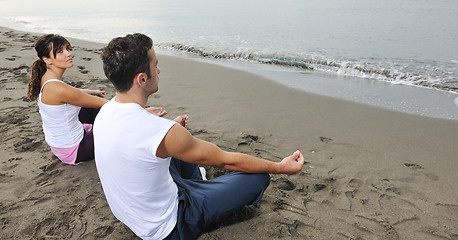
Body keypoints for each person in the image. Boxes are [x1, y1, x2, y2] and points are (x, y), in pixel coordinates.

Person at [94, 33, 305, 240]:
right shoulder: (158, 131)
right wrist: (280, 167)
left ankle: (199, 184)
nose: (158, 70)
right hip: (169, 225)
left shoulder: (105, 112)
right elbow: (225, 159)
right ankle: (202, 191)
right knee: (258, 177)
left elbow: (141, 140)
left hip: (134, 215)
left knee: (175, 140)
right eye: (155, 66)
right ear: (142, 78)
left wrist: (170, 129)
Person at [28, 34, 167, 165]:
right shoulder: (58, 89)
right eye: (60, 51)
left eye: (67, 49)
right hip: (74, 150)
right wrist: (143, 112)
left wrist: (91, 92)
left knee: (96, 105)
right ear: (46, 59)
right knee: (116, 118)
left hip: (60, 143)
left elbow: (70, 93)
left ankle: (129, 119)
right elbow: (110, 106)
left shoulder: (47, 79)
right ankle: (141, 124)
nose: (68, 54)